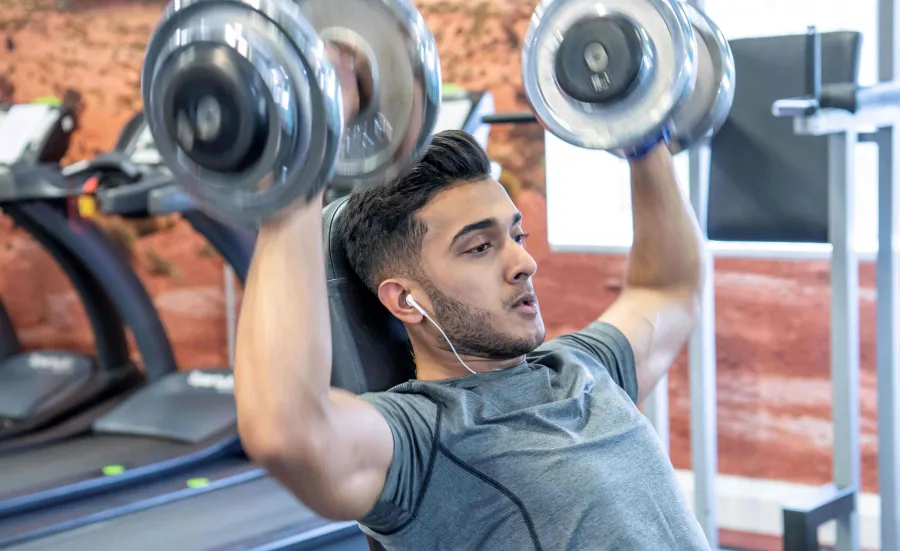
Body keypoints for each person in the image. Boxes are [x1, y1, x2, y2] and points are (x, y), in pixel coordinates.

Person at [234, 48, 710, 551]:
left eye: (517, 237)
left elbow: (667, 289)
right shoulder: (420, 440)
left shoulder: (582, 365)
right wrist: (298, 178)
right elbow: (284, 430)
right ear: (406, 300)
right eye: (480, 247)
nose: (524, 264)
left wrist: (642, 133)